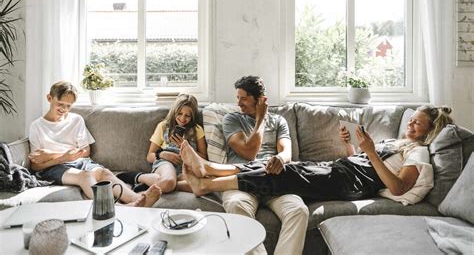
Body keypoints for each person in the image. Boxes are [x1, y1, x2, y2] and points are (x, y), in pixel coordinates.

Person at [180, 106, 453, 206]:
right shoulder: (399, 142)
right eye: (412, 120)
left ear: (430, 129)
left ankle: (207, 183)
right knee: (274, 164)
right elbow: (366, 162)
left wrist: (369, 151)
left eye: (418, 123)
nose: (411, 125)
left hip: (349, 184)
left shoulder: (419, 152)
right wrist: (351, 148)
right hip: (342, 168)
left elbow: (398, 186)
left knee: (281, 172)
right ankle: (210, 169)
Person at [208, 76, 309, 255]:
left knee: (299, 210)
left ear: (260, 99)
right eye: (237, 97)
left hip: (273, 180)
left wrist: (279, 158)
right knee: (235, 204)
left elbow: (286, 152)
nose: (238, 103)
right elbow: (248, 152)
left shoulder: (279, 121)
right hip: (242, 182)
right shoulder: (232, 119)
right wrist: (260, 119)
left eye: (244, 98)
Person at [28, 81, 161, 207]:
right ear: (49, 98)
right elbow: (35, 166)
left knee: (105, 173)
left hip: (79, 161)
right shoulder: (37, 126)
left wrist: (53, 154)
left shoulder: (76, 119)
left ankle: (137, 200)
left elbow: (85, 151)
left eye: (68, 106)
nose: (64, 109)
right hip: (54, 168)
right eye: (60, 103)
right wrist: (63, 158)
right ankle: (117, 207)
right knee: (86, 175)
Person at [118, 94, 207, 193]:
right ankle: (138, 183)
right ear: (174, 112)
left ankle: (149, 182)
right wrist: (163, 154)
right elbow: (150, 156)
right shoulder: (163, 127)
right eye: (180, 113)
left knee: (202, 184)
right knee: (169, 182)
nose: (182, 118)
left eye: (187, 115)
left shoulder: (197, 130)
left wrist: (186, 149)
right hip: (165, 163)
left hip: (185, 167)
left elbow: (204, 157)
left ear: (192, 116)